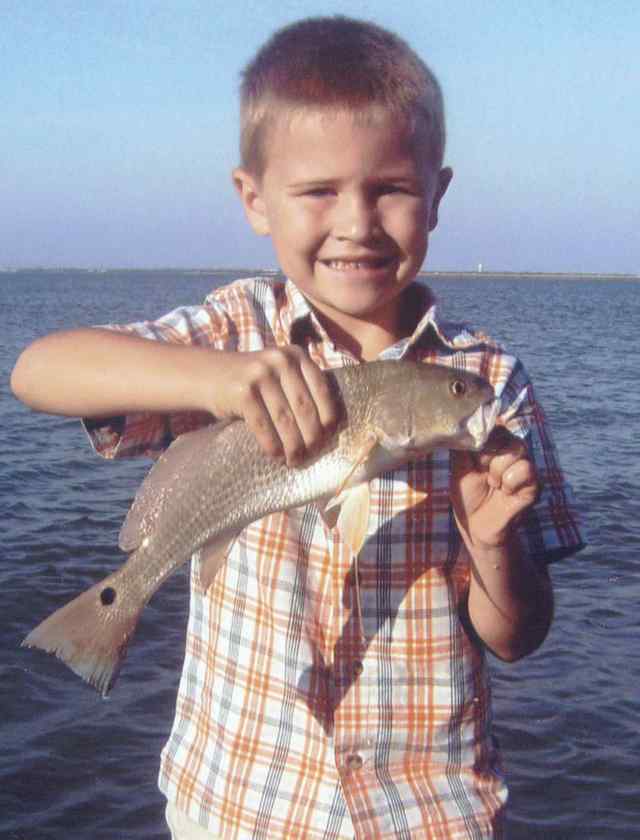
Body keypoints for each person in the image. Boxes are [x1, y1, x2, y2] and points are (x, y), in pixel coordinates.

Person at [11, 16, 584, 840]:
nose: (357, 222)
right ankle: (109, 609)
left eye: (390, 187)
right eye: (318, 191)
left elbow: (518, 636)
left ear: (437, 195)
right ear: (254, 200)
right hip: (238, 805)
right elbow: (38, 370)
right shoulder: (238, 328)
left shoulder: (491, 383)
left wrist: (498, 546)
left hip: (427, 814)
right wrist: (216, 380)